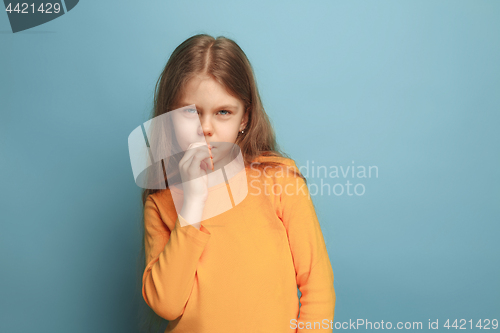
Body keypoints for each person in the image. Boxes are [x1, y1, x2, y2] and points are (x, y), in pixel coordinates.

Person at [137, 33, 335, 333]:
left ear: (245, 118)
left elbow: (317, 286)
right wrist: (192, 203)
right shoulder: (161, 203)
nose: (206, 128)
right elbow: (166, 304)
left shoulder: (279, 179)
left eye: (223, 112)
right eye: (189, 112)